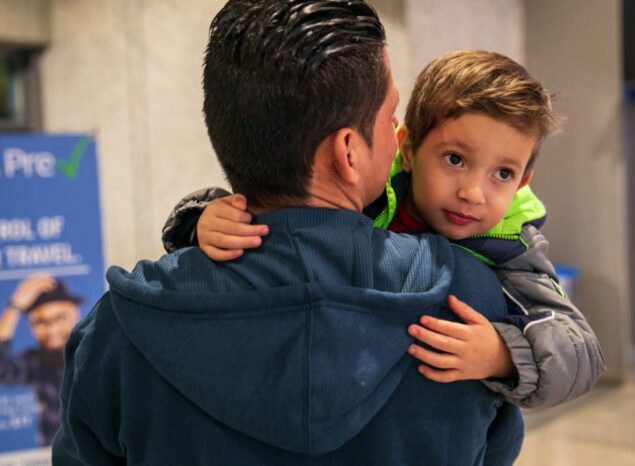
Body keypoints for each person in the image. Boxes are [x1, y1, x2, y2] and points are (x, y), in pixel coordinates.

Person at [53, 1, 529, 464]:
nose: (397, 133)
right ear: (348, 152)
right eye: (390, 116)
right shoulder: (468, 305)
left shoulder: (120, 329)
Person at [163, 50, 605, 408]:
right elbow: (282, 210)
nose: (473, 192)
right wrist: (203, 218)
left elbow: (582, 350)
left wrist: (504, 354)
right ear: (408, 149)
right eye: (455, 159)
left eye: (503, 174)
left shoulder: (511, 247)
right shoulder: (370, 188)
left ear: (524, 181)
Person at [0, 274, 82, 446]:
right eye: (41, 322)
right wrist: (14, 307)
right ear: (31, 326)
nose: (52, 329)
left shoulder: (97, 352)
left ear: (75, 313)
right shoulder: (35, 363)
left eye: (60, 318)